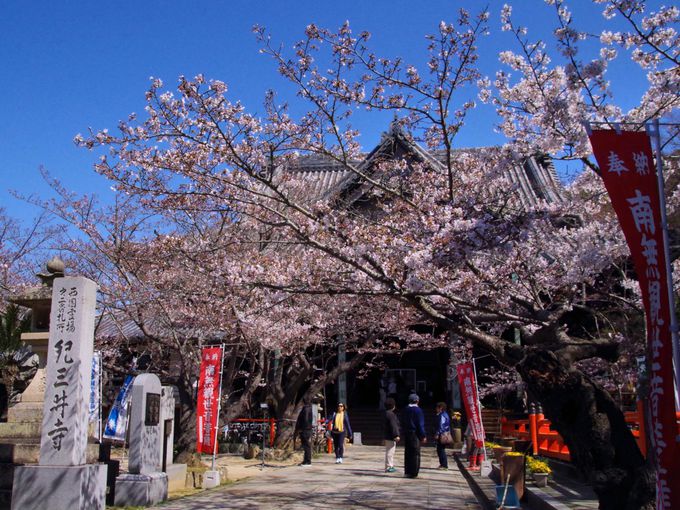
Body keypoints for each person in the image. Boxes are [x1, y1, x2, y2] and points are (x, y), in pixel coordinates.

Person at [401, 393, 426, 478]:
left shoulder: (405, 409)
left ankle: (407, 471)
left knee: (408, 452)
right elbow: (420, 424)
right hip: (415, 433)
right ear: (417, 401)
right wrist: (423, 435)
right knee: (415, 453)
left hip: (407, 432)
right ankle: (414, 472)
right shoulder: (418, 410)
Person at [295, 397, 314, 466]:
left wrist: (301, 428)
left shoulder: (306, 409)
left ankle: (307, 461)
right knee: (306, 445)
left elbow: (305, 420)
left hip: (305, 429)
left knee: (306, 445)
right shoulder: (309, 408)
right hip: (307, 429)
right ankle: (306, 460)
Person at [384, 397, 400, 473]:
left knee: (389, 451)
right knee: (390, 452)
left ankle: (389, 465)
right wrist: (396, 435)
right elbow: (393, 426)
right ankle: (389, 466)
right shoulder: (391, 415)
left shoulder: (385, 414)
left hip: (387, 434)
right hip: (391, 435)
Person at [434, 402, 451, 470]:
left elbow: (441, 425)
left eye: (437, 408)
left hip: (442, 434)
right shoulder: (445, 414)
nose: (436, 409)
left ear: (440, 408)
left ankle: (444, 464)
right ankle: (442, 464)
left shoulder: (442, 415)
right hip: (445, 433)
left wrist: (437, 433)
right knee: (440, 449)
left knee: (441, 449)